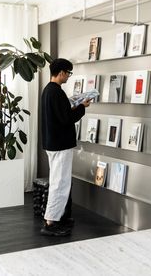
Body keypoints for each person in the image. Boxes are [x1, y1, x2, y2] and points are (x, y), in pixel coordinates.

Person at [40, 58, 91, 236]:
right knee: (59, 183)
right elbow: (66, 119)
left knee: (58, 181)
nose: (69, 76)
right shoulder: (56, 92)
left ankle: (57, 218)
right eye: (68, 73)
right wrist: (82, 107)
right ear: (61, 72)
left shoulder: (48, 91)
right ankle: (50, 223)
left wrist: (74, 106)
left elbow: (59, 115)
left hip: (52, 143)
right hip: (60, 144)